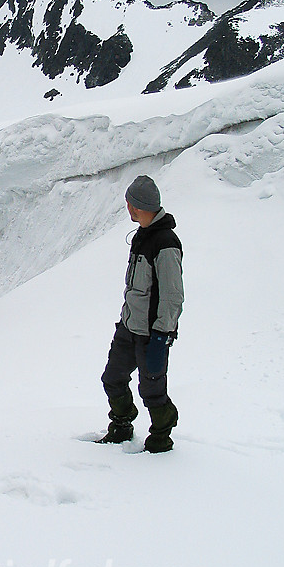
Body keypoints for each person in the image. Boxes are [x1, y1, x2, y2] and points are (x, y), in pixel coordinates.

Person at [97, 175, 183, 452]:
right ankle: (122, 425)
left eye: (131, 204)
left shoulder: (165, 243)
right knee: (113, 378)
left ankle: (161, 437)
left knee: (152, 391)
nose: (129, 209)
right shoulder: (142, 237)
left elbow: (172, 296)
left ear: (140, 206)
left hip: (151, 334)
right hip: (129, 328)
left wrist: (162, 335)